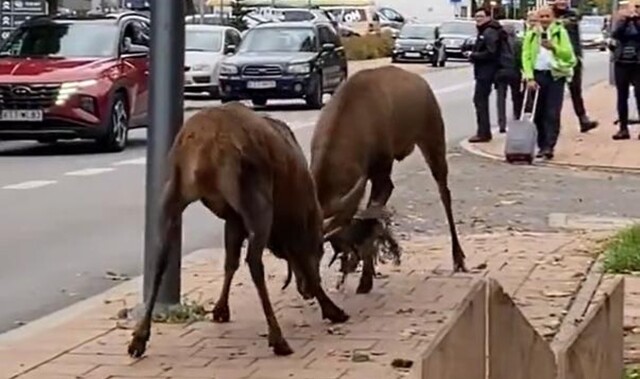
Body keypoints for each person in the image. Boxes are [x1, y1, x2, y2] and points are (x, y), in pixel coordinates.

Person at [522, 7, 577, 160]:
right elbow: (526, 56)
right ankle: (541, 145)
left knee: (552, 113)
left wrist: (554, 47)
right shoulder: (532, 34)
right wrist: (529, 77)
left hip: (555, 76)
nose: (545, 19)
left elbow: (569, 55)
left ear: (552, 18)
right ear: (538, 18)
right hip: (538, 76)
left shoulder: (560, 32)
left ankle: (549, 146)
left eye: (548, 16)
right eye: (542, 16)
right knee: (538, 113)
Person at [551, 0, 599, 133]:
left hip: (573, 57)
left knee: (575, 90)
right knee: (554, 93)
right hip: (554, 57)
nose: (562, 2)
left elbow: (575, 18)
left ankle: (583, 119)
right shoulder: (548, 14)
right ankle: (553, 123)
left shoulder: (572, 14)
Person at [468, 9, 504, 143]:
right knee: (480, 100)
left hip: (487, 71)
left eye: (481, 16)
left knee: (480, 100)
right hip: (486, 71)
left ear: (489, 17)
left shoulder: (489, 31)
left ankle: (483, 133)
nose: (478, 19)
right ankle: (483, 131)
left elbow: (491, 52)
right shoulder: (486, 30)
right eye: (476, 16)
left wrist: (473, 55)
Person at [610, 0, 640, 140]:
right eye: (636, 7)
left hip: (638, 63)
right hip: (622, 61)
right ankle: (623, 128)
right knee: (622, 96)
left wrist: (637, 22)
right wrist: (626, 20)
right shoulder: (622, 21)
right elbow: (616, 35)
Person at [495, 22, 523, 133]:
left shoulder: (498, 43)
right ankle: (516, 119)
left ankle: (502, 123)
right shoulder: (518, 43)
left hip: (500, 72)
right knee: (516, 98)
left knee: (501, 99)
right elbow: (520, 59)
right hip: (514, 73)